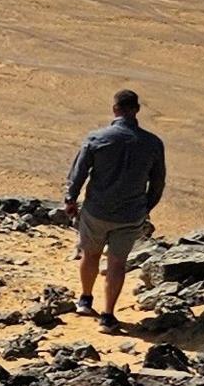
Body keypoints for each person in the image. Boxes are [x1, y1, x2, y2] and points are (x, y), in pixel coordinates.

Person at [65, 87, 168, 328]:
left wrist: (70, 200)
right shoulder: (152, 143)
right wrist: (146, 207)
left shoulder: (96, 138)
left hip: (97, 210)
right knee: (117, 263)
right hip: (130, 215)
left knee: (90, 254)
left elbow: (78, 173)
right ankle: (108, 314)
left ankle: (85, 299)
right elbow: (158, 181)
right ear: (137, 110)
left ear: (115, 110)